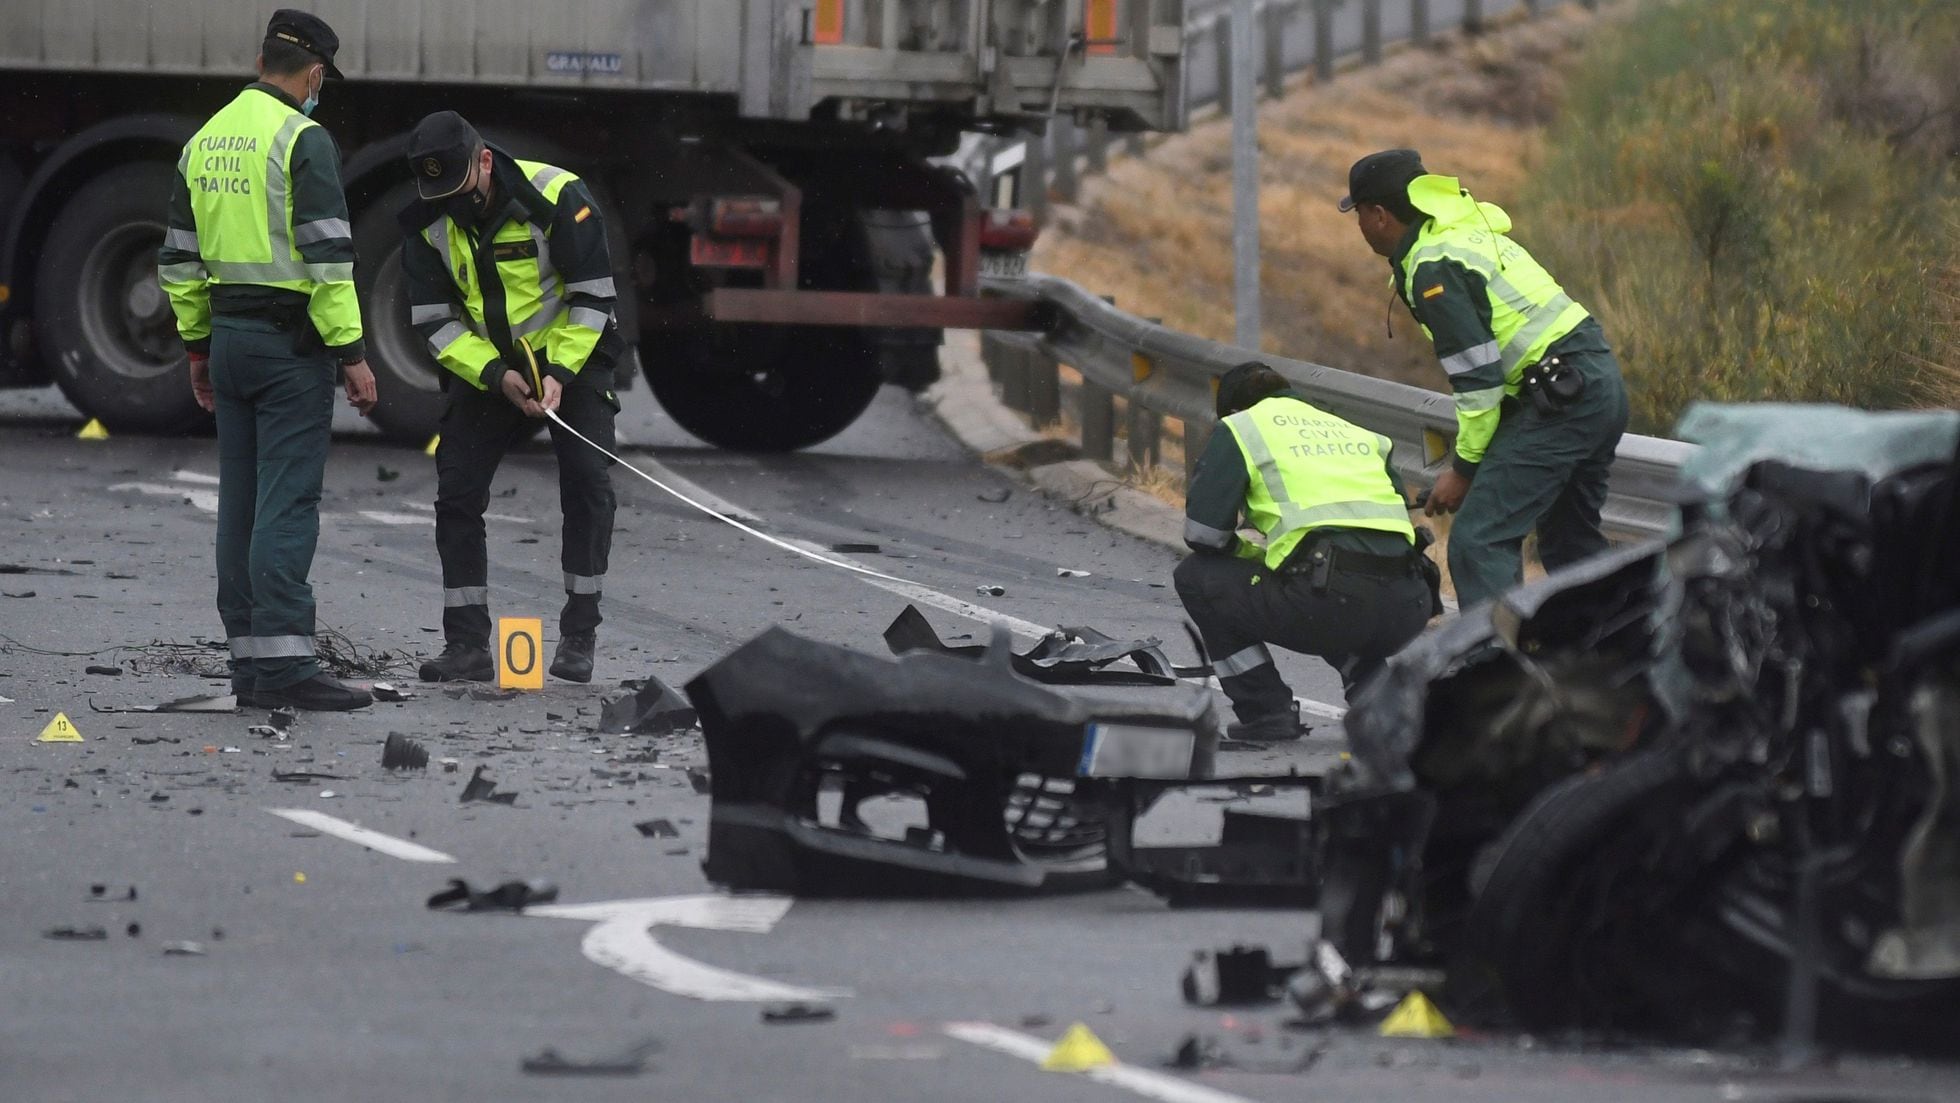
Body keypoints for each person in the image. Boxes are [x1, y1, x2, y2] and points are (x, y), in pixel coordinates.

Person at [158, 9, 378, 711]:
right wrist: (352, 353)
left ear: (262, 62)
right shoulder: (303, 139)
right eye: (323, 81)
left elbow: (179, 261)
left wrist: (198, 346)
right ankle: (285, 667)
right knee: (286, 505)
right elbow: (328, 258)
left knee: (242, 505)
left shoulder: (203, 140)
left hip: (228, 339)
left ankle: (250, 665)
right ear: (314, 74)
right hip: (289, 350)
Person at [1342, 148, 1629, 610]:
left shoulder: (1432, 267)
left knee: (1479, 543)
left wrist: (1464, 469)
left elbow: (1479, 380)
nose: (1357, 225)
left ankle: (1499, 672)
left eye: (1356, 213)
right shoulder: (1459, 233)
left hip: (1563, 397)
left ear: (1377, 215)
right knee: (1570, 546)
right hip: (1592, 383)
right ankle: (1624, 652)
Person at [400, 111, 622, 685]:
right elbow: (434, 324)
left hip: (572, 356)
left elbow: (594, 298)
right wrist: (495, 374)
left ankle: (580, 633)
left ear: (485, 162)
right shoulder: (426, 220)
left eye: (459, 188)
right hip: (490, 368)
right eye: (438, 193)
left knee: (588, 484)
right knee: (457, 492)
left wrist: (558, 374)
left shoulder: (558, 196)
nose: (451, 203)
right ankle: (467, 644)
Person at [1176, 362, 1438, 742]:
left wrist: (1254, 553)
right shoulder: (1360, 434)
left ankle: (1266, 711)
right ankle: (1379, 702)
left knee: (1197, 577)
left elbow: (1203, 534)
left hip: (1331, 601)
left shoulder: (1241, 427)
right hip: (1410, 604)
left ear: (1233, 410)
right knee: (1335, 582)